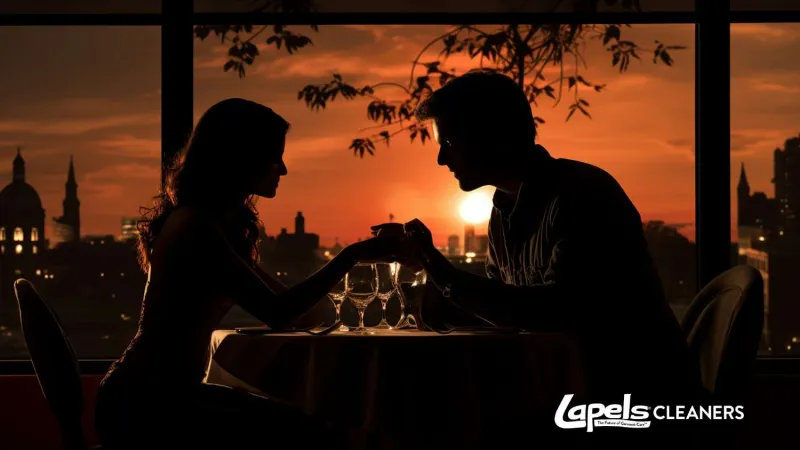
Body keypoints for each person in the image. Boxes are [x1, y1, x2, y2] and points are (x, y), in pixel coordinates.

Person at [372, 72, 703, 435]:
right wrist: (428, 271)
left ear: (491, 135)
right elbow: (502, 311)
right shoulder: (502, 211)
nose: (441, 158)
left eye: (449, 142)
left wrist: (436, 266)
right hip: (564, 397)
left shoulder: (581, 196)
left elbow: (554, 311)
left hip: (631, 403)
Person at [95, 98, 402, 449]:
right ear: (243, 158)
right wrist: (353, 254)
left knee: (312, 429)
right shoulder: (197, 230)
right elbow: (280, 312)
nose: (283, 170)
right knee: (315, 434)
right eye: (275, 158)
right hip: (147, 406)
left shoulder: (207, 226)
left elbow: (298, 311)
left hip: (156, 397)